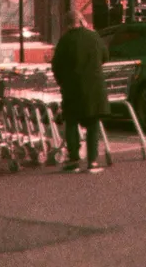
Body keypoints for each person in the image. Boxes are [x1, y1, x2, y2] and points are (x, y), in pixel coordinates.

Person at [50, 9, 110, 173]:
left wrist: (62, 81)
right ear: (82, 21)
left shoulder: (65, 40)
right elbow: (105, 56)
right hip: (94, 86)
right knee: (93, 123)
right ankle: (92, 161)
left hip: (72, 87)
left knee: (71, 122)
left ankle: (74, 159)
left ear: (67, 25)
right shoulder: (94, 36)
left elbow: (56, 65)